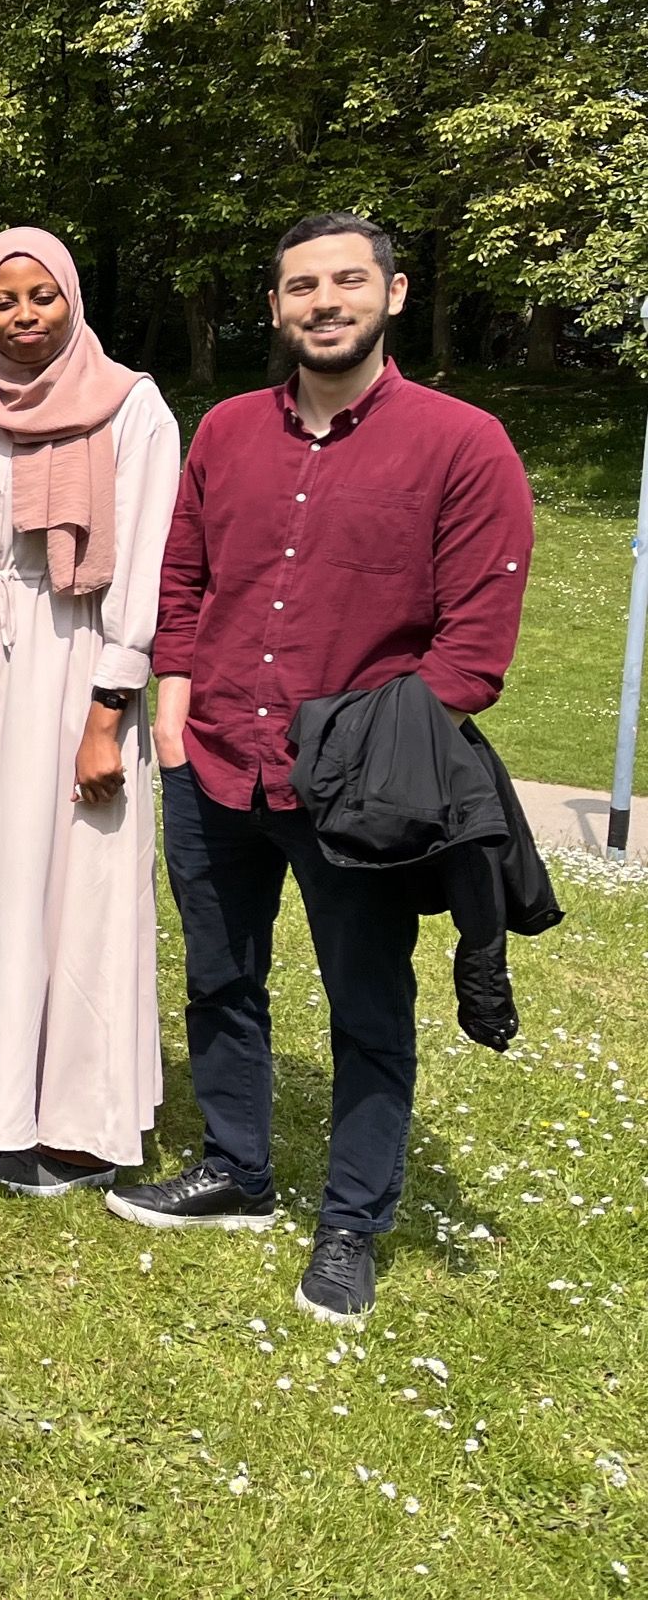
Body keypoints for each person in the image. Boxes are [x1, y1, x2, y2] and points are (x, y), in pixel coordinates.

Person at [116, 213, 534, 1329]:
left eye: (349, 281)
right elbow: (186, 577)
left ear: (392, 296)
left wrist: (357, 746)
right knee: (219, 979)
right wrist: (173, 707)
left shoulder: (462, 443)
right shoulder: (227, 433)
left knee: (365, 1004)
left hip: (356, 788)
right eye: (302, 285)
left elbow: (472, 654)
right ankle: (236, 1172)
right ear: (274, 307)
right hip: (211, 765)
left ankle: (351, 1220)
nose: (324, 300)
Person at [0, 229, 181, 1193]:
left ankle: (69, 1114)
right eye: (2, 301)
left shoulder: (130, 406)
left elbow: (143, 562)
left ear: (73, 298)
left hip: (73, 661)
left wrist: (110, 709)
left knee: (68, 881)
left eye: (42, 298)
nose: (23, 318)